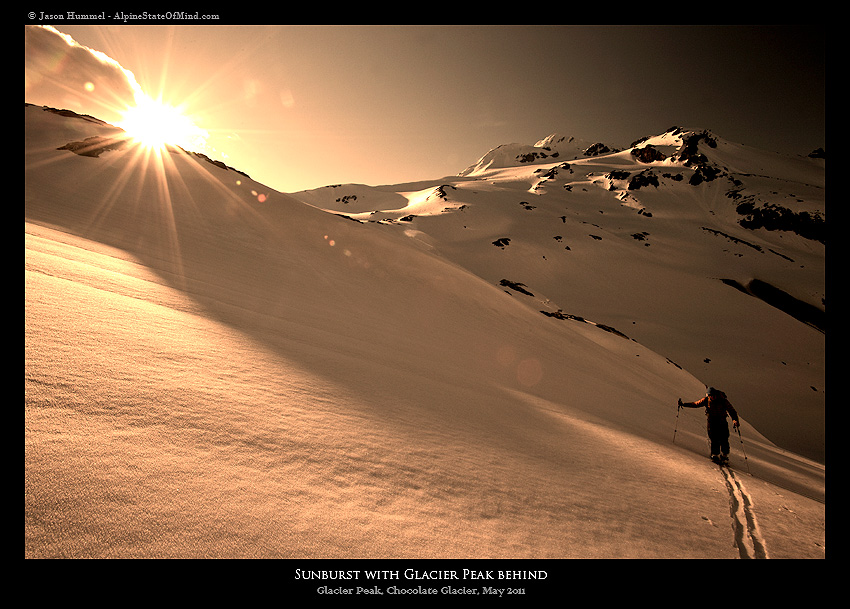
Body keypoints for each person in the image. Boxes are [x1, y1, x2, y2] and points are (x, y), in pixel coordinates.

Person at [678, 387, 740, 465]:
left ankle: (724, 455)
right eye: (710, 396)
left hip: (721, 421)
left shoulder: (723, 400)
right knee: (714, 438)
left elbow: (732, 411)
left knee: (724, 438)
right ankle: (715, 455)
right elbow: (695, 404)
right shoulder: (707, 400)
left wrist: (735, 420)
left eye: (712, 395)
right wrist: (683, 404)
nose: (711, 397)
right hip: (712, 421)